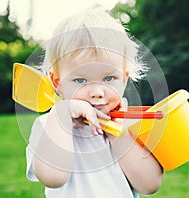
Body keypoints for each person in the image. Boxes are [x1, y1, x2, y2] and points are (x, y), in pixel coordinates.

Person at [26, 9, 163, 198]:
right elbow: (53, 177)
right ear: (58, 82)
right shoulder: (50, 125)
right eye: (81, 80)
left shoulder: (131, 126)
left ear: (124, 79)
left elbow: (149, 185)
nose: (97, 93)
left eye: (109, 78)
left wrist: (117, 133)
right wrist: (62, 114)